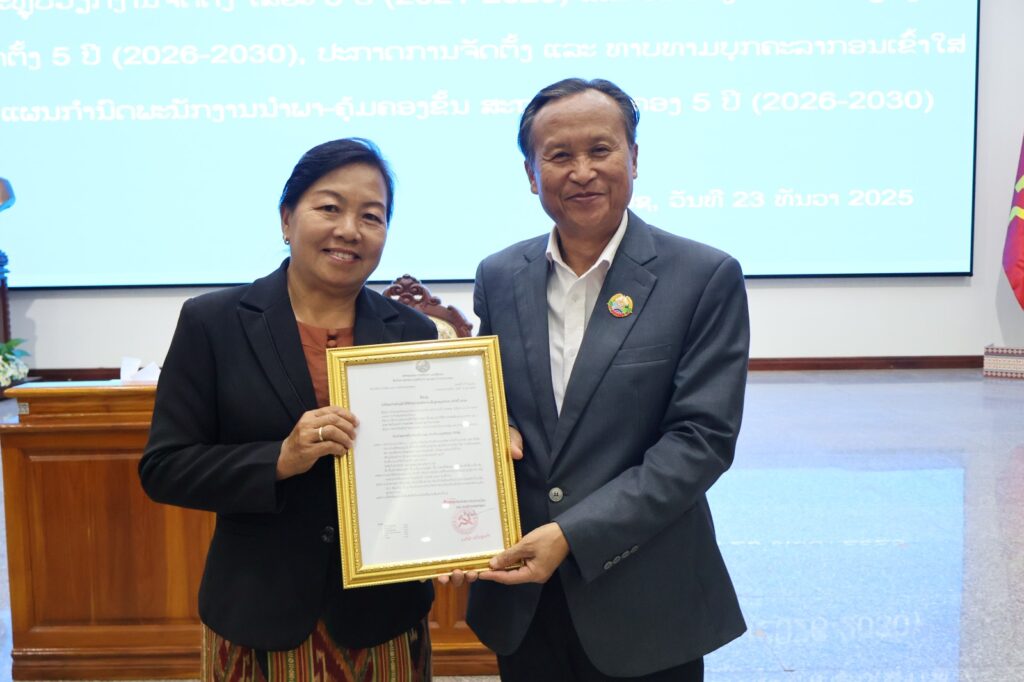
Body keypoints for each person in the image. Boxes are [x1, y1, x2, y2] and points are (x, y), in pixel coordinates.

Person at [466, 78, 750, 681]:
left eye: (601, 149)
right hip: (524, 599)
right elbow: (494, 401)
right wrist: (493, 428)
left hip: (645, 599)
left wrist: (571, 534)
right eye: (558, 155)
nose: (582, 172)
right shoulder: (499, 275)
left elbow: (700, 441)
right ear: (531, 173)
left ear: (634, 158)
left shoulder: (703, 276)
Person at [139, 138, 438, 681]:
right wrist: (278, 459)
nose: (350, 229)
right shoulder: (214, 323)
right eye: (330, 207)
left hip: (383, 616)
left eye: (371, 216)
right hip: (257, 613)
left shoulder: (412, 332)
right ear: (286, 219)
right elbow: (164, 468)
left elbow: (427, 466)